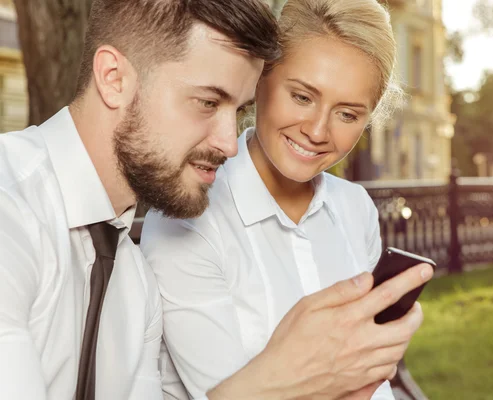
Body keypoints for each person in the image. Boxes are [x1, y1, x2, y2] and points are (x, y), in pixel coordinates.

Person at [0, 0, 431, 399]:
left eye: (237, 111)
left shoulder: (132, 285)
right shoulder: (11, 209)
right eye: (208, 102)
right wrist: (278, 380)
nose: (229, 144)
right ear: (114, 79)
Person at [140, 0, 431, 399]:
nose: (316, 130)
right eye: (302, 97)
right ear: (260, 78)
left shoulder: (354, 207)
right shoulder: (189, 217)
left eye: (347, 114)